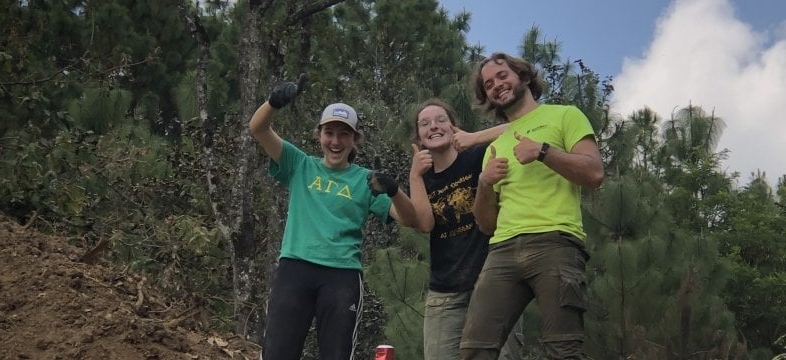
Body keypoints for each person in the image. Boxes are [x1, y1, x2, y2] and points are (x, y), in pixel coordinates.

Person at [248, 77, 417, 360]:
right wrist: (274, 102)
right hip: (295, 269)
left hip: (341, 276)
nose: (336, 142)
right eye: (329, 133)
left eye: (344, 134)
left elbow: (409, 218)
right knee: (277, 353)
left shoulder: (366, 180)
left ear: (355, 139)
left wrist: (395, 190)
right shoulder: (299, 164)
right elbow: (258, 128)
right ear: (319, 135)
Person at [461, 53, 604, 360]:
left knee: (564, 352)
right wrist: (484, 183)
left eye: (502, 76)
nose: (497, 85)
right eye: (488, 84)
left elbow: (594, 173)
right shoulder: (494, 147)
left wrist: (543, 151)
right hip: (501, 251)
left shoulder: (565, 115)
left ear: (524, 77)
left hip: (556, 243)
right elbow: (486, 225)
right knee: (474, 350)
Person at [407, 98, 524, 360]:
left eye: (440, 120)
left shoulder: (477, 157)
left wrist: (474, 138)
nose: (433, 126)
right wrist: (414, 176)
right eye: (424, 124)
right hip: (445, 291)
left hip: (493, 282)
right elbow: (425, 224)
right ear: (419, 137)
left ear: (453, 127)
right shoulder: (422, 178)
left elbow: (521, 127)